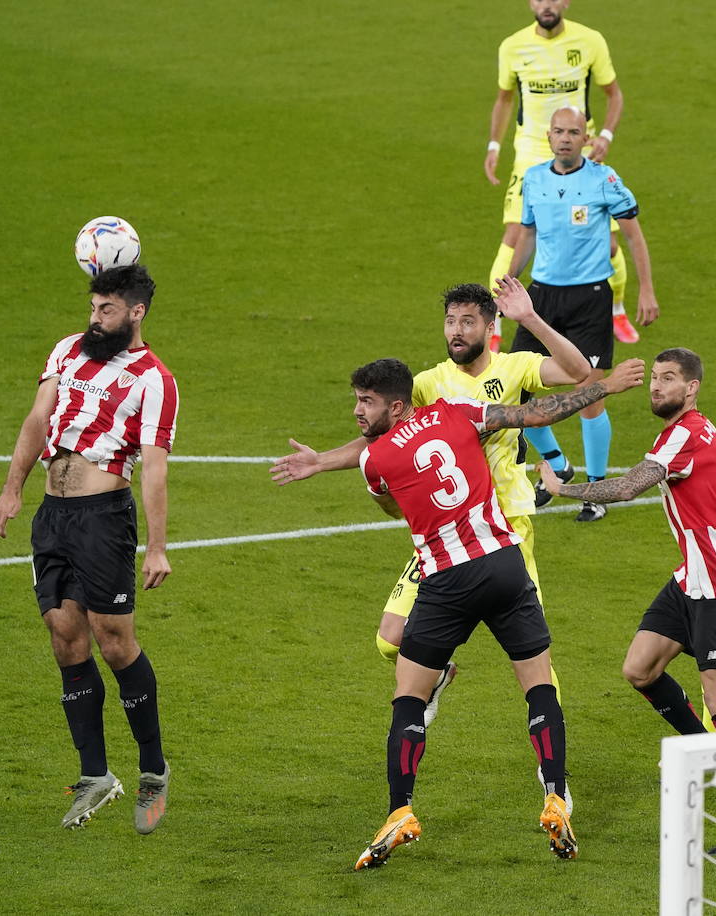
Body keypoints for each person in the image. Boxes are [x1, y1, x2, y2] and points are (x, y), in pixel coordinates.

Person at [330, 347, 645, 869]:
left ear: (398, 406)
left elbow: (391, 503)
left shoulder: (373, 460)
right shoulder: (459, 411)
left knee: (409, 696)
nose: (358, 413)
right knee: (539, 685)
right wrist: (604, 388)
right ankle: (554, 796)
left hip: (445, 582)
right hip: (503, 565)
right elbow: (536, 415)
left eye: (367, 403)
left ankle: (400, 811)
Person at [270, 278, 587, 755]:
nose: (456, 331)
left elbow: (578, 370)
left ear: (490, 325)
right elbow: (383, 436)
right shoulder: (428, 383)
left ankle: (553, 771)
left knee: (536, 662)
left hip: (508, 531)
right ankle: (438, 676)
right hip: (446, 535)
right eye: (450, 321)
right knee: (390, 640)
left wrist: (530, 318)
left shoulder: (516, 366)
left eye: (467, 322)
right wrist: (322, 461)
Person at [538, 348, 716, 856]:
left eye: (669, 379)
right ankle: (699, 747)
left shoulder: (682, 438)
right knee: (640, 669)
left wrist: (561, 489)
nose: (656, 387)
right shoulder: (701, 429)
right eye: (655, 379)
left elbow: (624, 489)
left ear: (692, 389)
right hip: (690, 578)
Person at [0, 264, 178, 835]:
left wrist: (158, 547)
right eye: (93, 307)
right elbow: (37, 419)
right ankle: (95, 775)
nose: (94, 319)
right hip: (53, 516)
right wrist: (12, 488)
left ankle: (153, 770)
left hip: (103, 519)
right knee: (64, 637)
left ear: (136, 312)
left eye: (107, 310)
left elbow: (154, 471)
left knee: (115, 643)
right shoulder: (69, 349)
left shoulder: (154, 380)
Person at [510, 105, 659, 522]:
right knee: (515, 396)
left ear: (585, 137)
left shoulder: (604, 180)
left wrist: (645, 290)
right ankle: (558, 466)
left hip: (590, 300)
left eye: (573, 132)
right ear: (549, 135)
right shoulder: (534, 179)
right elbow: (526, 234)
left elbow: (634, 238)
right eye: (558, 131)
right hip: (542, 299)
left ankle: (595, 492)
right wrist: (506, 284)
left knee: (590, 399)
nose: (565, 138)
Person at [485, 0, 640, 350]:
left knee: (610, 241)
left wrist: (605, 136)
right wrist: (494, 145)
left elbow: (613, 95)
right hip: (531, 149)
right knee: (516, 232)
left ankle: (615, 308)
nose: (547, 5)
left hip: (578, 144)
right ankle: (493, 319)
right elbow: (504, 98)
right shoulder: (513, 46)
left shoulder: (590, 41)